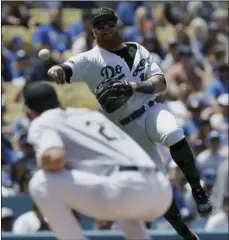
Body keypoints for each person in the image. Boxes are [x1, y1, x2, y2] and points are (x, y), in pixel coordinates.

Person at [48, 7, 211, 239]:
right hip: (125, 127)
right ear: (93, 30)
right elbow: (68, 67)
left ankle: (197, 189)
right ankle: (185, 234)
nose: (105, 28)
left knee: (174, 133)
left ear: (118, 24)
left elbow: (160, 83)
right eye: (99, 24)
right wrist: (58, 69)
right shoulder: (90, 58)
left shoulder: (138, 49)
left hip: (150, 109)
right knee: (157, 181)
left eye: (109, 22)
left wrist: (134, 87)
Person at [24, 82, 175, 240]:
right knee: (127, 214)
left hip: (127, 189)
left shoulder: (43, 121)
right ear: (59, 102)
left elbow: (55, 158)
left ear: (29, 112)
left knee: (40, 181)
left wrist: (42, 164)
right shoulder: (89, 114)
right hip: (160, 190)